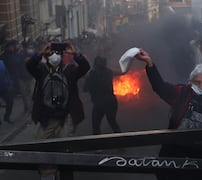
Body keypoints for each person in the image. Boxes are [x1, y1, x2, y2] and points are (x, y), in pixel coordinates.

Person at [135, 49, 202, 180]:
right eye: (197, 82)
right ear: (191, 81)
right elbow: (159, 87)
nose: (200, 86)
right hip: (179, 152)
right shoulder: (181, 93)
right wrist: (150, 63)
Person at [26, 42, 90, 180]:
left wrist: (76, 54)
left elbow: (85, 67)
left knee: (66, 148)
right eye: (51, 53)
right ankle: (48, 174)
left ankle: (66, 174)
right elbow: (29, 66)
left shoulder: (70, 70)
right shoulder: (42, 71)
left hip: (66, 116)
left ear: (62, 56)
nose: (54, 56)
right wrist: (40, 53)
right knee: (40, 146)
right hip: (47, 117)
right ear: (47, 57)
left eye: (57, 53)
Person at [84, 56, 122, 135]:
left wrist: (87, 78)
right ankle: (121, 143)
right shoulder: (109, 72)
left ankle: (98, 145)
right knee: (112, 122)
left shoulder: (92, 74)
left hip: (99, 104)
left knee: (96, 126)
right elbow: (122, 71)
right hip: (111, 102)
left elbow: (85, 89)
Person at [0, 60, 14, 125]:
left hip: (4, 87)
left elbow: (6, 73)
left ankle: (6, 116)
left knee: (10, 101)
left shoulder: (2, 62)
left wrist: (10, 82)